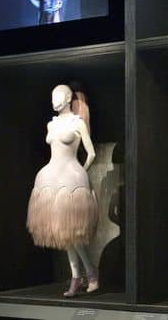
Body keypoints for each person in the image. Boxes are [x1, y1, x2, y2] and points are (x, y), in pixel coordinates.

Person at [26, 84, 99, 297]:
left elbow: (91, 153)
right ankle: (83, 275)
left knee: (72, 233)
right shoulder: (51, 124)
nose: (54, 100)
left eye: (58, 96)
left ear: (68, 98)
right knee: (65, 234)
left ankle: (84, 275)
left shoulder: (77, 123)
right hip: (50, 177)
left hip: (71, 177)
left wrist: (81, 171)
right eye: (52, 96)